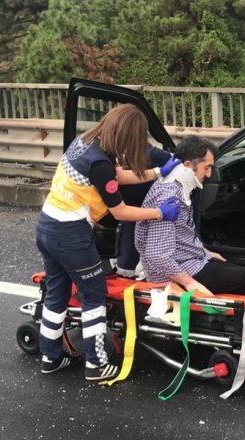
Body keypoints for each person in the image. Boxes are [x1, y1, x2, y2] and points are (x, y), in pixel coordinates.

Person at [35, 103, 181, 381]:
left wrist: (157, 172)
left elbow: (115, 176)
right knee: (94, 296)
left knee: (57, 292)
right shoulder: (100, 162)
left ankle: (50, 357)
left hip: (47, 227)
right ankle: (97, 365)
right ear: (126, 135)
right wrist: (161, 213)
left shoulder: (86, 142)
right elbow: (121, 211)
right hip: (71, 235)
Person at [136, 135, 245, 295]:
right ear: (187, 165)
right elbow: (157, 255)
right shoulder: (170, 198)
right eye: (206, 167)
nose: (208, 175)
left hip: (190, 258)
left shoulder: (177, 188)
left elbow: (181, 235)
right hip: (175, 272)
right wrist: (190, 283)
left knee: (237, 266)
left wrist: (204, 251)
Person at [114, 144, 173, 278]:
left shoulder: (101, 151)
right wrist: (158, 213)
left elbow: (120, 176)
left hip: (131, 224)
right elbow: (119, 177)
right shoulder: (101, 157)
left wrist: (158, 172)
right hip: (74, 220)